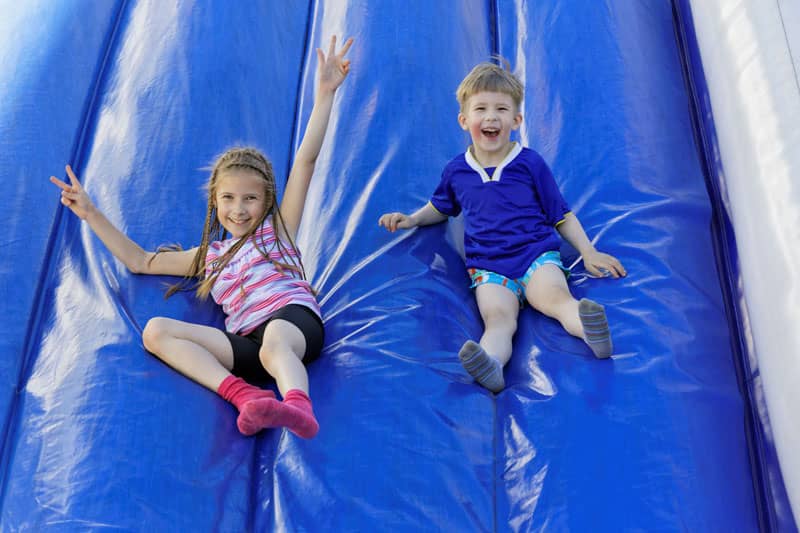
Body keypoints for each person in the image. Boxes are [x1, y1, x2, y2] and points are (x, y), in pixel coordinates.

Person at [50, 36, 354, 437]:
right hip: (248, 344)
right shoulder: (211, 257)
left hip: (294, 325)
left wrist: (325, 94)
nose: (239, 209)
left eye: (250, 199)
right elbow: (140, 261)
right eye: (228, 198)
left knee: (276, 340)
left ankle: (298, 404)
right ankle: (245, 396)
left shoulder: (276, 232)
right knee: (156, 331)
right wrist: (90, 213)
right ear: (215, 200)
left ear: (266, 203)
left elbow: (306, 160)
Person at [378, 61, 626, 393]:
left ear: (516, 120)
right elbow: (440, 207)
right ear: (464, 121)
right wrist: (411, 219)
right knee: (497, 319)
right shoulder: (457, 171)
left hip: (535, 256)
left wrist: (588, 250)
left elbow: (560, 214)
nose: (491, 117)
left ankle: (590, 329)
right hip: (489, 267)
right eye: (481, 108)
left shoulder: (530, 163)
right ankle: (491, 364)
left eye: (501, 109)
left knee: (554, 299)